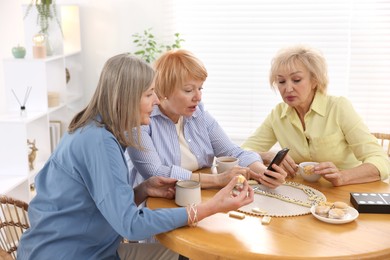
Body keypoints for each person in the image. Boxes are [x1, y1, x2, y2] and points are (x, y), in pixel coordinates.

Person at [17, 54, 255, 260]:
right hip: (70, 254)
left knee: (181, 253)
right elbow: (131, 225)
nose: (156, 101)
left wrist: (143, 189)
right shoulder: (99, 142)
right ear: (127, 98)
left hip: (96, 249)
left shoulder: (96, 129)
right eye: (149, 94)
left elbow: (102, 203)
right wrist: (211, 207)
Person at [126, 49, 287, 190]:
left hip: (198, 196)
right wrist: (216, 180)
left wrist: (262, 172)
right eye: (189, 90)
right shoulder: (142, 121)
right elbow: (155, 173)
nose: (198, 97)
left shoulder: (198, 113)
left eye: (200, 88)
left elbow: (232, 152)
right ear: (164, 90)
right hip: (156, 203)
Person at [241, 45, 390, 186]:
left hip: (346, 192)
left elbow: (381, 160)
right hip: (305, 193)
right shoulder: (278, 115)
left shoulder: (338, 107)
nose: (288, 88)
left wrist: (343, 177)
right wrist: (267, 156)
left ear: (315, 80)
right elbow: (242, 152)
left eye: (296, 80)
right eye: (281, 81)